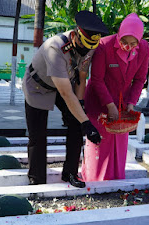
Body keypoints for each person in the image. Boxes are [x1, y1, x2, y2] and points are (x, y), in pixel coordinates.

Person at [22, 11, 108, 188]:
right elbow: (66, 94)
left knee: (76, 125)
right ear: (76, 34)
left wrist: (81, 104)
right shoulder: (56, 47)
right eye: (83, 46)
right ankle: (37, 179)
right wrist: (87, 122)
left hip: (64, 85)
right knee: (38, 134)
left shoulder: (89, 45)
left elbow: (82, 76)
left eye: (89, 48)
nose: (85, 51)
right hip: (38, 87)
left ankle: (70, 173)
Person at [81, 13, 149, 181]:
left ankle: (116, 178)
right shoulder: (104, 45)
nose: (128, 46)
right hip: (99, 100)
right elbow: (96, 79)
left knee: (119, 140)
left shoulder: (144, 48)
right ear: (119, 34)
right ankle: (94, 178)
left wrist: (131, 102)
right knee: (100, 141)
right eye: (124, 41)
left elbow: (140, 79)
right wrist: (109, 105)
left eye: (133, 43)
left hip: (122, 103)